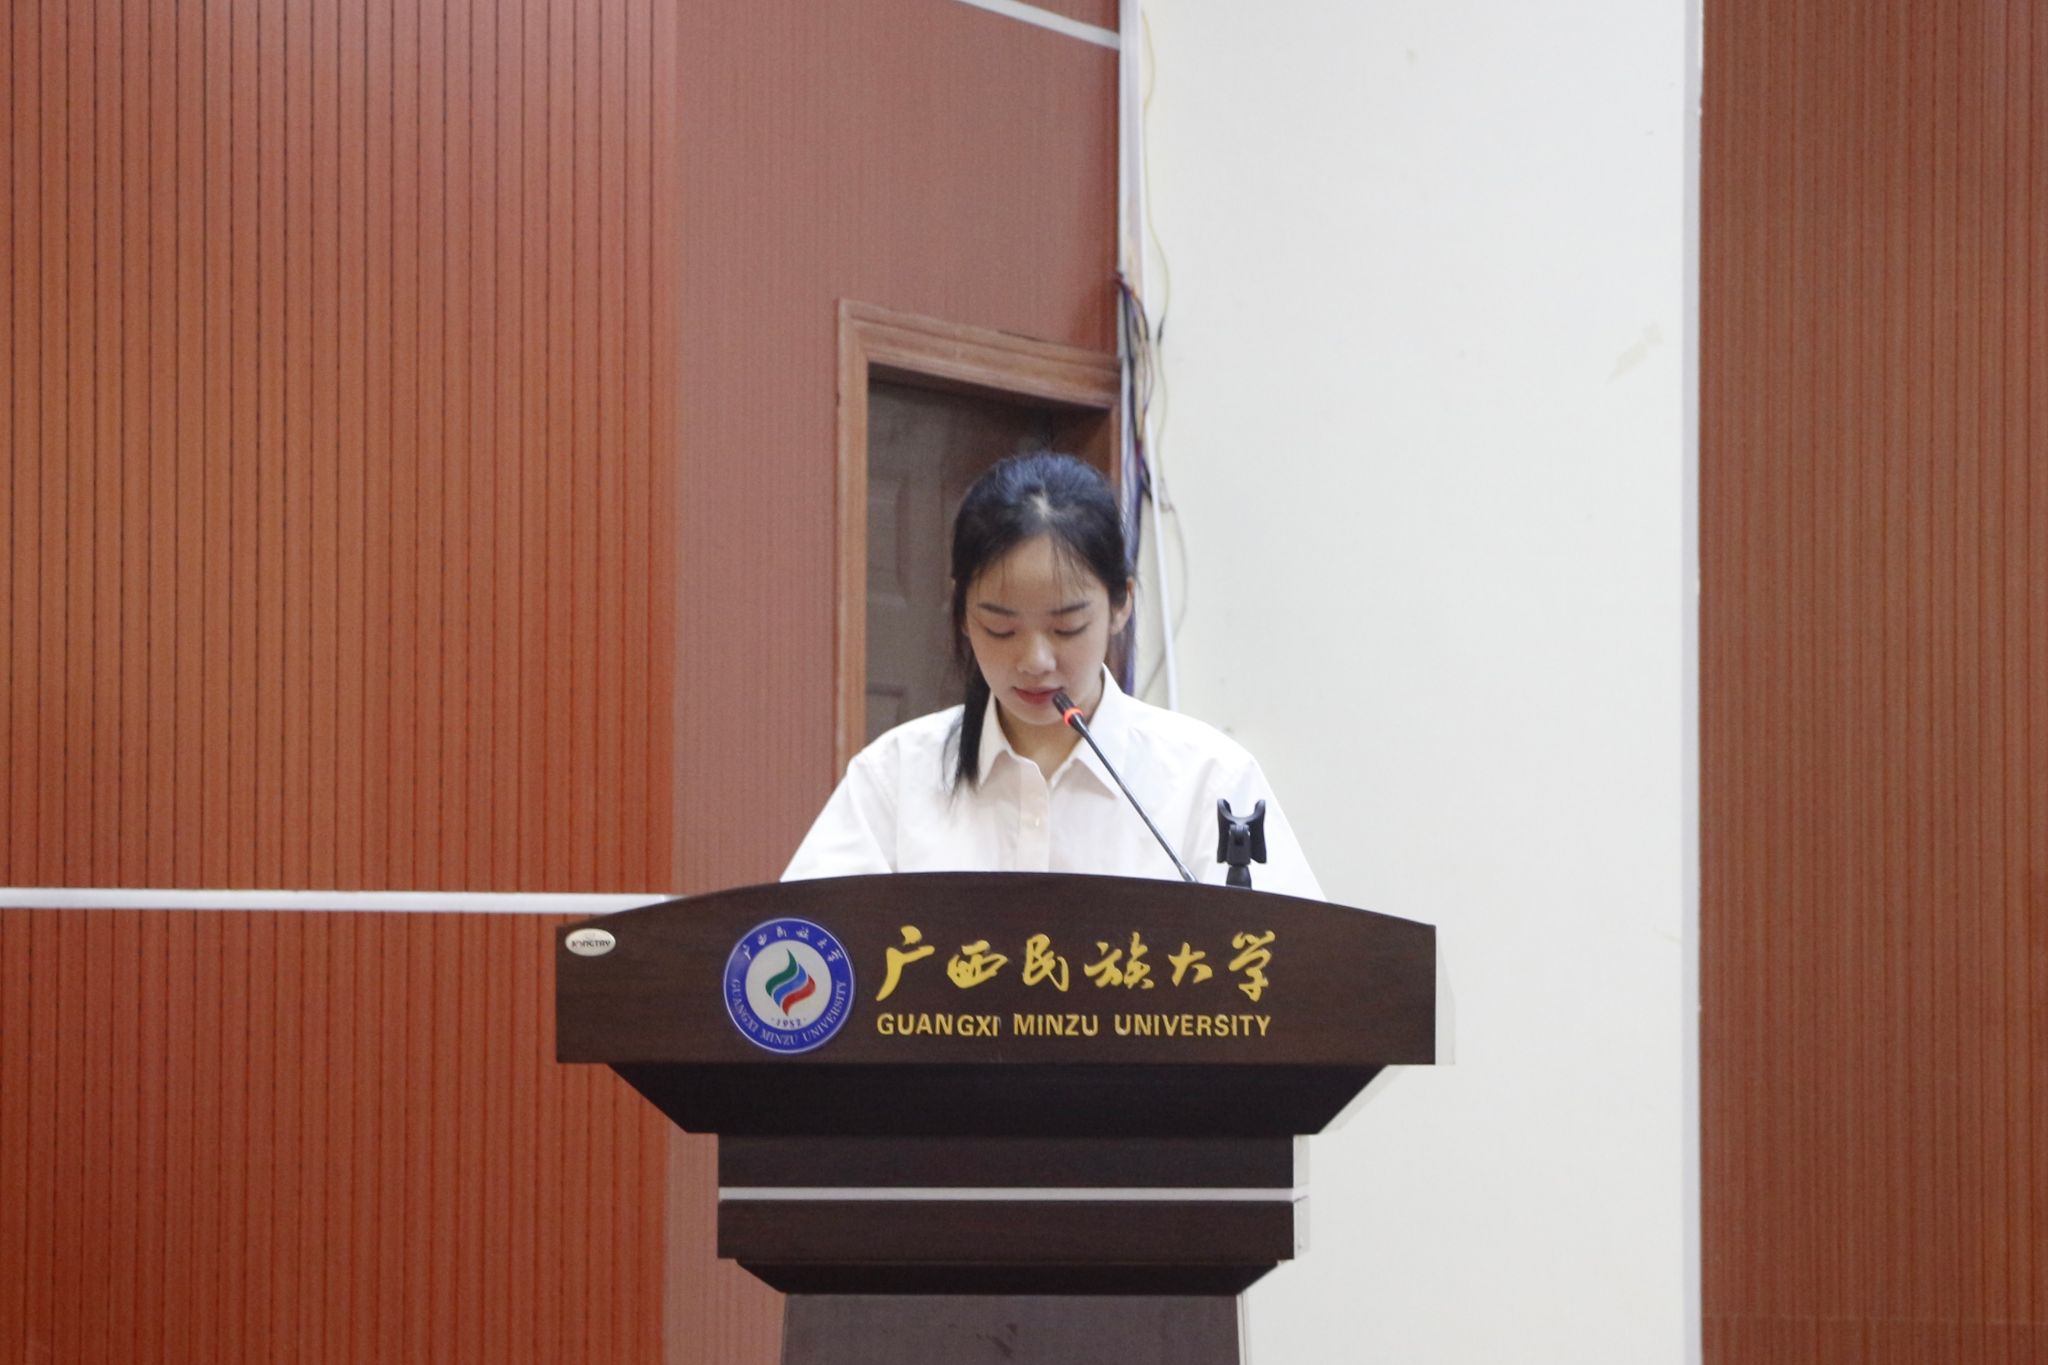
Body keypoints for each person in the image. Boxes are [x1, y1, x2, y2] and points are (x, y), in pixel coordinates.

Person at [783, 451, 1323, 899]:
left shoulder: (1209, 780)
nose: (1035, 661)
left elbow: (1290, 967)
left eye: (1067, 627)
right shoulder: (895, 777)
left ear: (1121, 604)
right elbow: (806, 948)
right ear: (962, 611)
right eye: (1000, 628)